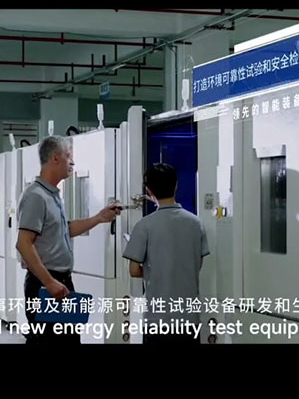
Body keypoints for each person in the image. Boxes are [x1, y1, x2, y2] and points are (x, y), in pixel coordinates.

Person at [16, 135, 120, 344]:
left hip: (61, 282)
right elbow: (24, 243)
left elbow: (65, 229)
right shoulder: (36, 196)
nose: (72, 162)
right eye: (69, 156)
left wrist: (100, 217)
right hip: (45, 284)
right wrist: (49, 282)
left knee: (69, 339)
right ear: (55, 158)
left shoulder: (53, 195)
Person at [123, 163, 209, 345]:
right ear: (176, 185)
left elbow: (134, 270)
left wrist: (156, 271)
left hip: (158, 318)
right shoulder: (195, 223)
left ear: (149, 190)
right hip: (189, 319)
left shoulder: (144, 226)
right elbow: (198, 264)